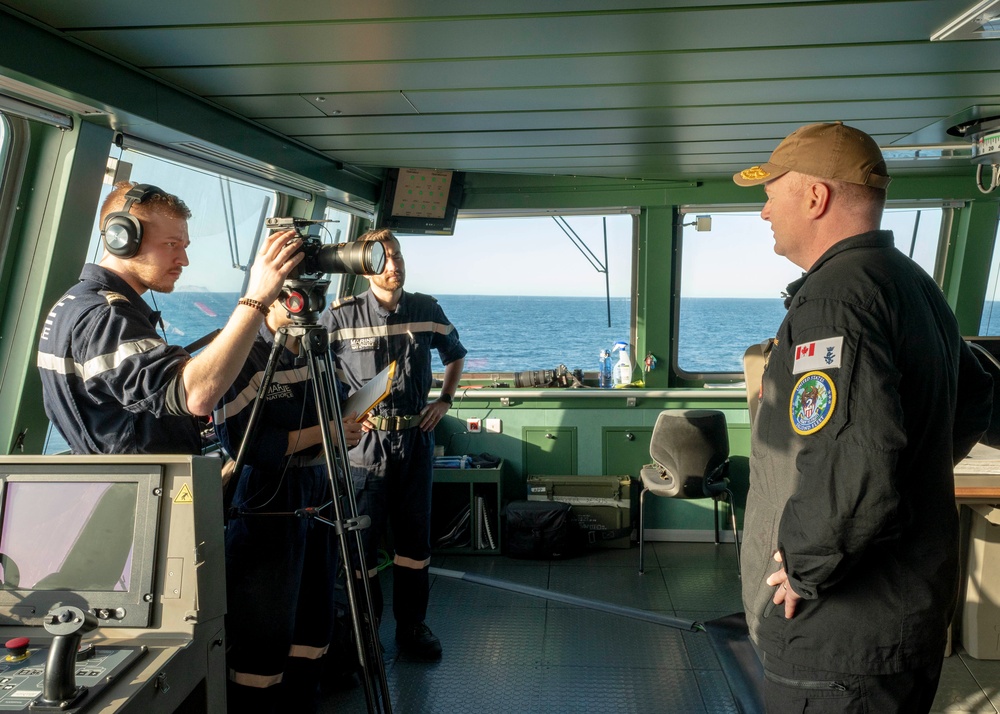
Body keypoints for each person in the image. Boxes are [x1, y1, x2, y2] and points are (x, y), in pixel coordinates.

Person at [732, 121, 993, 713]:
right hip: (900, 622)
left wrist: (805, 566)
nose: (765, 210)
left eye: (773, 191)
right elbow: (977, 396)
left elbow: (853, 454)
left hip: (838, 636)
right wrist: (906, 471)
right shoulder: (913, 285)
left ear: (816, 197)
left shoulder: (835, 299)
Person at [37, 181, 304, 455]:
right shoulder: (106, 316)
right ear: (122, 239)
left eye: (184, 245)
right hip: (141, 490)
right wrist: (257, 297)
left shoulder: (77, 303)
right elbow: (196, 395)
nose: (184, 259)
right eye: (171, 244)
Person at [320, 227, 466, 661]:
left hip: (415, 441)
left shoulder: (425, 308)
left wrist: (444, 400)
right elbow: (312, 370)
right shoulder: (340, 317)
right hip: (364, 447)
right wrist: (335, 420)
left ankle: (412, 626)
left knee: (414, 544)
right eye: (385, 258)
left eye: (399, 255)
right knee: (361, 547)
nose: (396, 265)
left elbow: (455, 353)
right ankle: (363, 632)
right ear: (365, 267)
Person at [213, 296, 363, 713]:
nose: (306, 305)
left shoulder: (319, 352)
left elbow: (332, 409)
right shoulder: (244, 356)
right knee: (265, 625)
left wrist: (345, 424)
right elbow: (247, 445)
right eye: (293, 294)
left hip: (319, 485)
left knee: (315, 618)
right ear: (269, 295)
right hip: (268, 497)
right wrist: (327, 431)